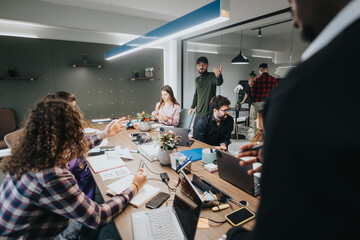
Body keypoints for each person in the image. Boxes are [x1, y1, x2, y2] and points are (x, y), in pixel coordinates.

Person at [227, 0, 360, 239]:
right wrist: (286, 151)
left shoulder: (301, 89)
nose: (294, 17)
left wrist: (232, 234)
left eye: (291, 2)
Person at [0, 100, 147, 239]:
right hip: (42, 235)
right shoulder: (52, 175)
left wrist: (104, 134)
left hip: (21, 228)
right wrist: (134, 186)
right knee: (93, 219)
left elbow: (72, 150)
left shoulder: (34, 151)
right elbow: (98, 217)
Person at [188, 56, 223, 135]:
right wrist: (192, 107)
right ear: (197, 66)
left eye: (203, 65)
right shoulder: (197, 80)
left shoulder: (212, 76)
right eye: (199, 65)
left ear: (207, 65)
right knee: (196, 136)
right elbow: (196, 94)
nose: (201, 67)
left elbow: (218, 82)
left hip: (209, 113)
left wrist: (219, 76)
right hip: (198, 113)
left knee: (208, 137)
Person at [251, 63, 277, 133]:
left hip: (259, 103)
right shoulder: (274, 80)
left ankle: (257, 140)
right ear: (267, 69)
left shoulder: (256, 79)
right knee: (268, 122)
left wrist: (253, 102)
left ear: (261, 69)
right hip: (269, 104)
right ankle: (267, 140)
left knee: (258, 122)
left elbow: (253, 93)